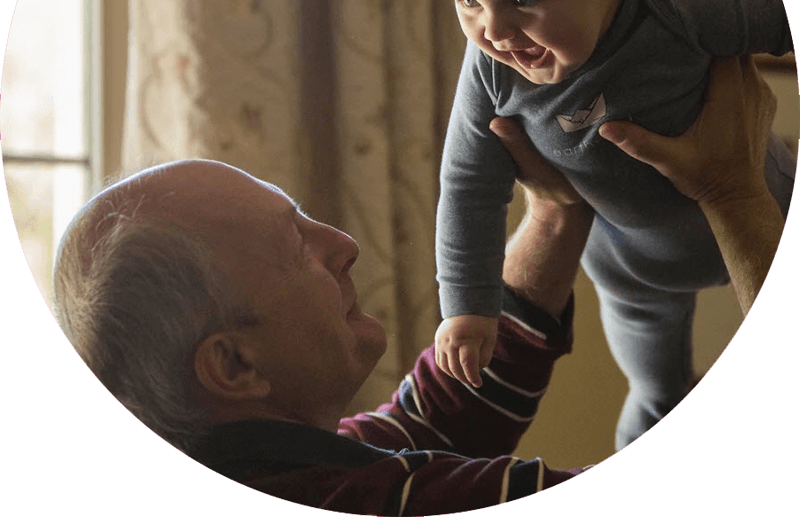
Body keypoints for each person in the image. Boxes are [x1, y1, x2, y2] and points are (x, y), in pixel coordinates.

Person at [52, 56, 787, 515]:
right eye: (295, 244)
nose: (342, 246)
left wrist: (558, 209)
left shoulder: (282, 469)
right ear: (234, 365)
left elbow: (438, 421)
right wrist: (734, 194)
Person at [427, 0, 796, 449]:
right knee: (657, 395)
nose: (493, 31)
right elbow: (467, 183)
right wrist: (468, 305)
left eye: (521, 1)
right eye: (464, 1)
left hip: (771, 203)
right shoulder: (491, 71)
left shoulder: (681, 5)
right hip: (633, 267)